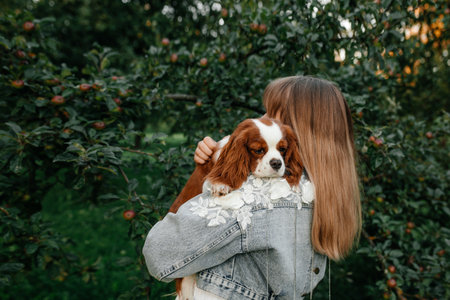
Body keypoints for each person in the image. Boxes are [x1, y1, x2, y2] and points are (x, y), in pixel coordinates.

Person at [142, 75, 362, 299]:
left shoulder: (253, 197)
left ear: (292, 130)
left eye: (270, 115)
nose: (261, 119)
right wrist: (214, 164)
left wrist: (207, 174)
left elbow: (159, 254)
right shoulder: (321, 194)